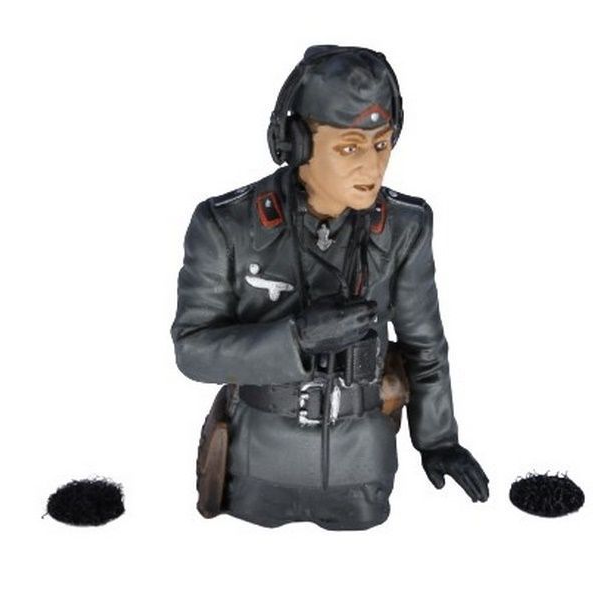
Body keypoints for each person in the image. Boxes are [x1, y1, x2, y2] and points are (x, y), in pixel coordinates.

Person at [171, 45, 489, 530]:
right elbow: (193, 351)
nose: (373, 168)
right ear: (297, 144)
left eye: (382, 144)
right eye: (349, 148)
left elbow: (425, 346)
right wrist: (295, 340)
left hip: (362, 467)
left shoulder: (404, 226)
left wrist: (438, 439)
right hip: (257, 466)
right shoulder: (226, 225)